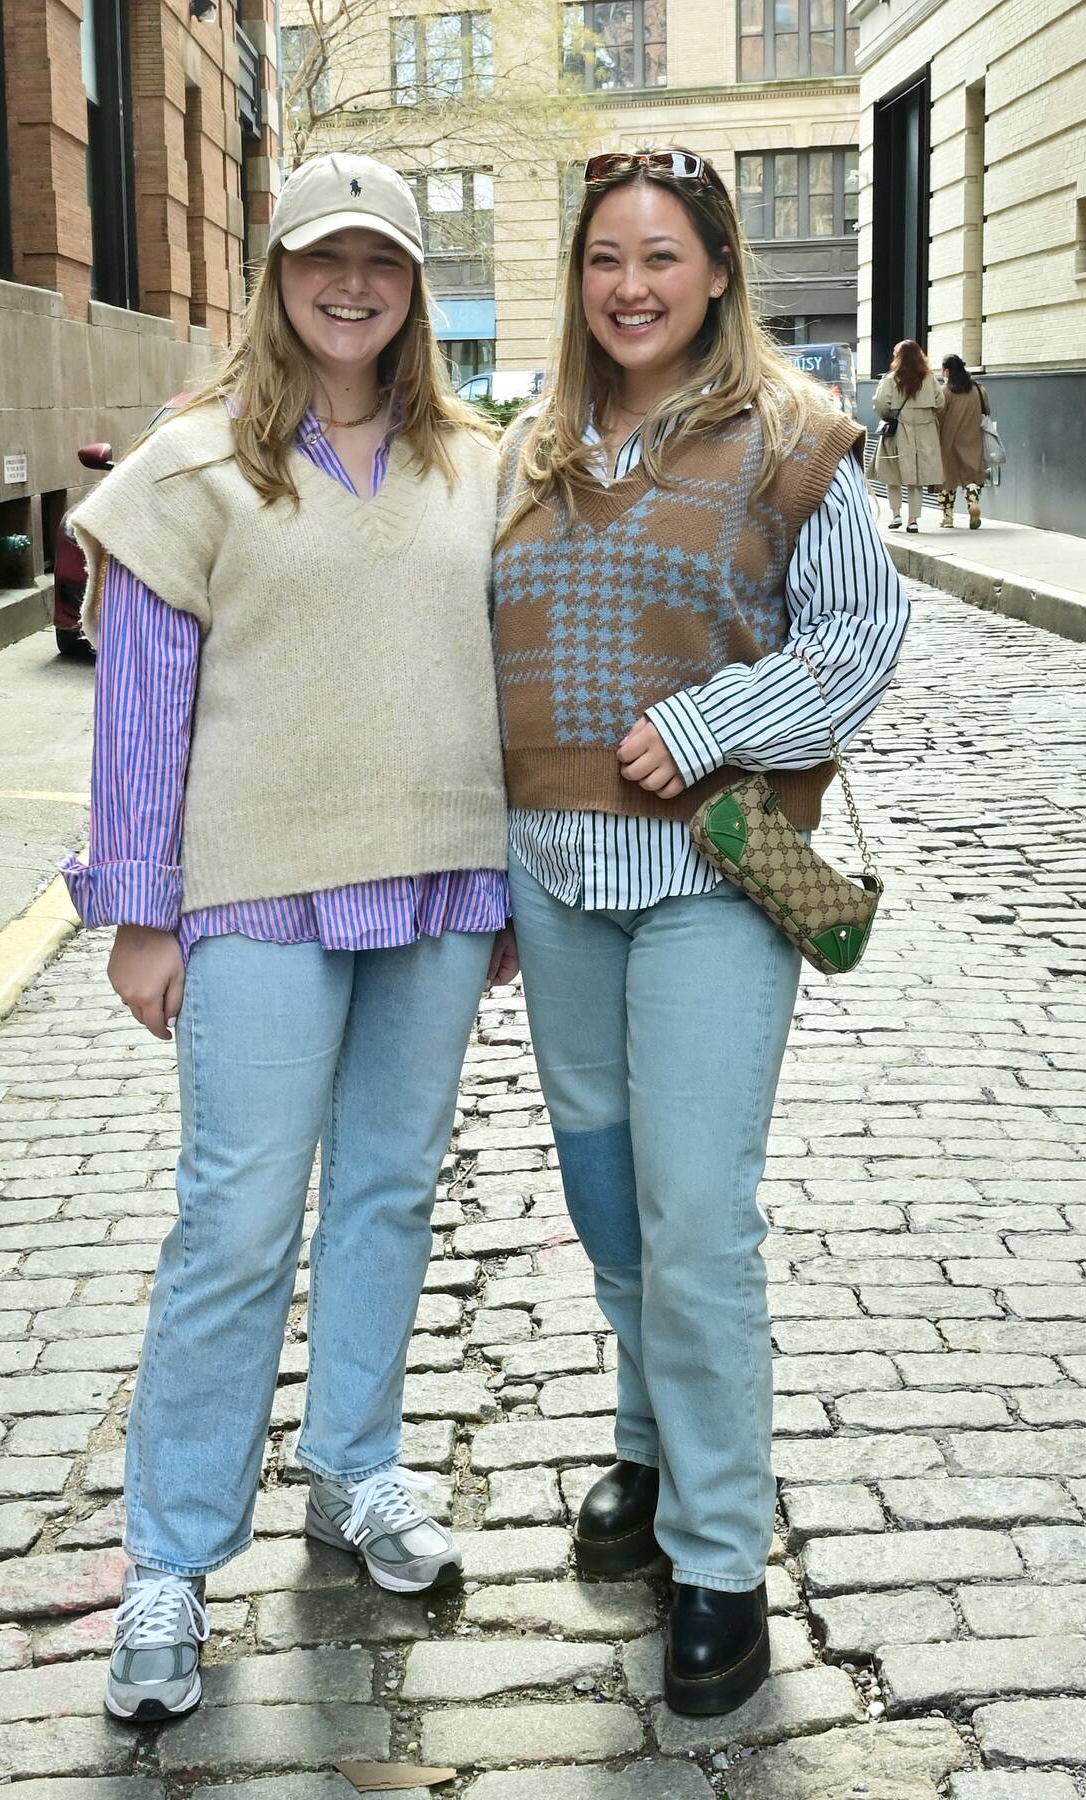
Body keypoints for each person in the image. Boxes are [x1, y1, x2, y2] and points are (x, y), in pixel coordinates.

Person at [63, 152, 517, 1724]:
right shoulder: (195, 468)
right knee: (239, 1219)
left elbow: (506, 681)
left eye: (380, 261)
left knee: (390, 1191)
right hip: (252, 888)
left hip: (441, 883)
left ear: (412, 286)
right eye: (323, 258)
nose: (352, 285)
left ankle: (358, 1470)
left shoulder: (480, 468)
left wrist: (506, 886)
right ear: (275, 273)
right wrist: (137, 909)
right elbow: (139, 703)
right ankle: (173, 1561)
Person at [493, 148, 909, 1717]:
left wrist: (718, 713)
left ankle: (722, 1556)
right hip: (555, 874)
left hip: (713, 879)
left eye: (662, 257)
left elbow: (864, 632)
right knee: (608, 1194)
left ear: (718, 270)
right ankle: (651, 1445)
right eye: (606, 259)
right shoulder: (529, 449)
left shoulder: (795, 441)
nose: (633, 287)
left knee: (697, 1208)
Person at [872, 338, 945, 532]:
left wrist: (890, 416)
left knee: (892, 474)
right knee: (917, 478)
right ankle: (913, 520)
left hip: (898, 432)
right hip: (925, 431)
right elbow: (940, 402)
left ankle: (896, 514)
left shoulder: (890, 379)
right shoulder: (929, 378)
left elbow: (880, 404)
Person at [936, 353, 989, 529]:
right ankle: (973, 503)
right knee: (971, 475)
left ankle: (948, 517)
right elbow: (986, 411)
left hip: (948, 440)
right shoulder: (978, 389)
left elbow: (939, 416)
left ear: (947, 370)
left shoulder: (945, 392)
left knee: (947, 478)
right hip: (973, 437)